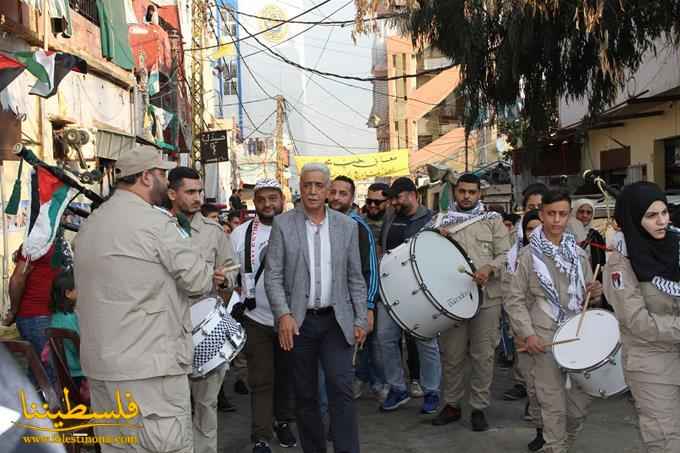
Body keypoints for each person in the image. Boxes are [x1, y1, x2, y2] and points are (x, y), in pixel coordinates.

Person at [74, 146, 227, 453]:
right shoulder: (156, 224)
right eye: (161, 174)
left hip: (103, 369)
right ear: (145, 177)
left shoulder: (90, 224)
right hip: (150, 371)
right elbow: (197, 281)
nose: (166, 182)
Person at [265, 163, 367, 453]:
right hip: (299, 323)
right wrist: (283, 314)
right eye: (307, 185)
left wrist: (361, 317)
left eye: (318, 186)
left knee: (341, 387)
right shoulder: (284, 224)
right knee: (305, 394)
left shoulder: (347, 226)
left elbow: (354, 277)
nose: (312, 191)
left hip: (337, 321)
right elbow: (273, 275)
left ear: (328, 190)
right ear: (300, 187)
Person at [505, 189, 602, 453]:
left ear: (569, 216)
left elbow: (585, 297)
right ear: (542, 214)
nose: (556, 220)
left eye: (562, 214)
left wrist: (594, 292)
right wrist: (528, 335)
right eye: (551, 214)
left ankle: (561, 443)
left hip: (576, 334)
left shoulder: (578, 255)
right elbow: (514, 300)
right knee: (552, 403)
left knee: (579, 405)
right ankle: (555, 446)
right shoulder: (528, 257)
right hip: (543, 335)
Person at [603, 182, 680, 453]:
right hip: (651, 362)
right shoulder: (620, 262)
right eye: (651, 216)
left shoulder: (675, 245)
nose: (662, 221)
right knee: (666, 438)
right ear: (633, 219)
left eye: (664, 212)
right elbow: (638, 322)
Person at [167, 167, 239, 453]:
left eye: (200, 192)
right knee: (173, 405)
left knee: (206, 404)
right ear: (172, 193)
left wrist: (226, 278)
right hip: (167, 329)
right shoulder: (157, 227)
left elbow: (232, 268)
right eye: (190, 192)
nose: (198, 198)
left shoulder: (213, 232)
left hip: (207, 327)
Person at [432, 173, 511, 431]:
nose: (466, 196)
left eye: (472, 192)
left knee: (483, 356)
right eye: (462, 191)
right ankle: (452, 405)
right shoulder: (441, 221)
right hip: (452, 301)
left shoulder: (492, 220)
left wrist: (489, 268)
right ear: (455, 192)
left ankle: (478, 407)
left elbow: (506, 255)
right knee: (452, 355)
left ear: (480, 194)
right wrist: (436, 238)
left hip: (487, 299)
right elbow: (427, 256)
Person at [231, 178, 297, 453]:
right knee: (261, 379)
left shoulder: (298, 229)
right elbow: (231, 276)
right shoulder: (239, 234)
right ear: (253, 202)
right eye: (262, 199)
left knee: (286, 376)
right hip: (256, 318)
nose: (268, 204)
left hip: (291, 320)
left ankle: (283, 422)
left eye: (273, 198)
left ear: (282, 200)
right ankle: (260, 435)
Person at [376, 176, 442, 414]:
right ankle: (397, 388)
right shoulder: (390, 216)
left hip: (420, 290)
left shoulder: (432, 219)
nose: (394, 202)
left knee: (426, 340)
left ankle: (432, 390)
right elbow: (382, 247)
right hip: (389, 287)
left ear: (413, 194)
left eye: (398, 197)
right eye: (392, 198)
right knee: (385, 337)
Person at [328, 176, 384, 401]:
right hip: (327, 306)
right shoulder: (320, 223)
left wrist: (369, 307)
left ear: (351, 199)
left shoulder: (358, 227)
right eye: (333, 192)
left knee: (363, 349)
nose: (336, 197)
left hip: (353, 305)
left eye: (343, 193)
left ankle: (380, 385)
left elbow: (369, 269)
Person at [504, 210, 545, 451]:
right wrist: (523, 331)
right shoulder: (515, 258)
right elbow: (512, 299)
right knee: (534, 383)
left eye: (538, 227)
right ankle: (541, 429)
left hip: (556, 330)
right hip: (526, 330)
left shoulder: (567, 254)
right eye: (530, 229)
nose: (535, 233)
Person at [503, 183, 549, 401]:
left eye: (541, 206)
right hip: (524, 321)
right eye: (532, 206)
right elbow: (512, 295)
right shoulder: (515, 251)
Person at [3, 244, 60, 376]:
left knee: (39, 371)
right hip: (36, 316)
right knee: (48, 371)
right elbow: (17, 280)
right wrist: (13, 311)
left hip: (46, 315)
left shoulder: (53, 242)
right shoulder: (35, 242)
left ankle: (32, 396)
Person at [47, 269, 85, 391]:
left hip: (65, 374)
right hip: (80, 376)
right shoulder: (70, 319)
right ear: (68, 293)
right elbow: (83, 349)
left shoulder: (56, 317)